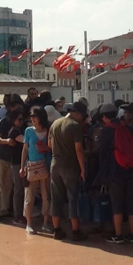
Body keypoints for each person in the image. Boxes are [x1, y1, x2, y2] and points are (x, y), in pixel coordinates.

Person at [95, 103, 133, 244]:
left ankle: (118, 234)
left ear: (103, 117)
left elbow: (101, 154)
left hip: (115, 171)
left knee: (117, 204)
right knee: (131, 202)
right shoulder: (125, 126)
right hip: (132, 169)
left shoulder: (106, 131)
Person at [48, 100, 88, 241]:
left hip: (55, 164)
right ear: (76, 113)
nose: (82, 118)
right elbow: (79, 149)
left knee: (56, 198)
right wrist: (83, 169)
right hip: (70, 166)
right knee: (72, 198)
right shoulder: (75, 126)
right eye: (82, 115)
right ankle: (75, 231)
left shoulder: (55, 124)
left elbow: (49, 144)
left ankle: (56, 229)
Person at [20, 106, 53, 234]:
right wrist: (22, 166)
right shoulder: (28, 131)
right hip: (32, 166)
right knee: (29, 196)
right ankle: (29, 223)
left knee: (46, 196)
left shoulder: (48, 130)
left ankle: (46, 222)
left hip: (45, 165)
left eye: (34, 116)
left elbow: (51, 148)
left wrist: (45, 147)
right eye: (31, 116)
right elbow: (24, 150)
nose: (32, 118)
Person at [0, 105, 18, 223]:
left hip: (11, 159)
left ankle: (4, 210)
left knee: (7, 186)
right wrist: (7, 141)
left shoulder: (20, 126)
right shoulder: (3, 122)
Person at [7, 109, 27, 225]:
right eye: (19, 119)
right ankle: (17, 215)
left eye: (22, 119)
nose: (21, 121)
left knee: (22, 189)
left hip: (21, 163)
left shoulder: (19, 130)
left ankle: (21, 213)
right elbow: (25, 141)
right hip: (16, 163)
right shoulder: (14, 132)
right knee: (18, 189)